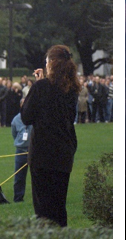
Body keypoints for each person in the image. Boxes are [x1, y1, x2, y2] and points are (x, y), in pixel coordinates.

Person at [21, 45, 80, 227]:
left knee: (44, 209)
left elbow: (26, 116)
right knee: (58, 206)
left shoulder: (41, 87)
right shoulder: (72, 88)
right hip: (64, 151)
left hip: (43, 153)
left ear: (52, 63)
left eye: (47, 61)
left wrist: (36, 87)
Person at [10, 110, 31, 202]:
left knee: (37, 176)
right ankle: (18, 198)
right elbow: (14, 134)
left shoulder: (34, 117)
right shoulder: (16, 119)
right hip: (20, 151)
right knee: (19, 178)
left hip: (33, 151)